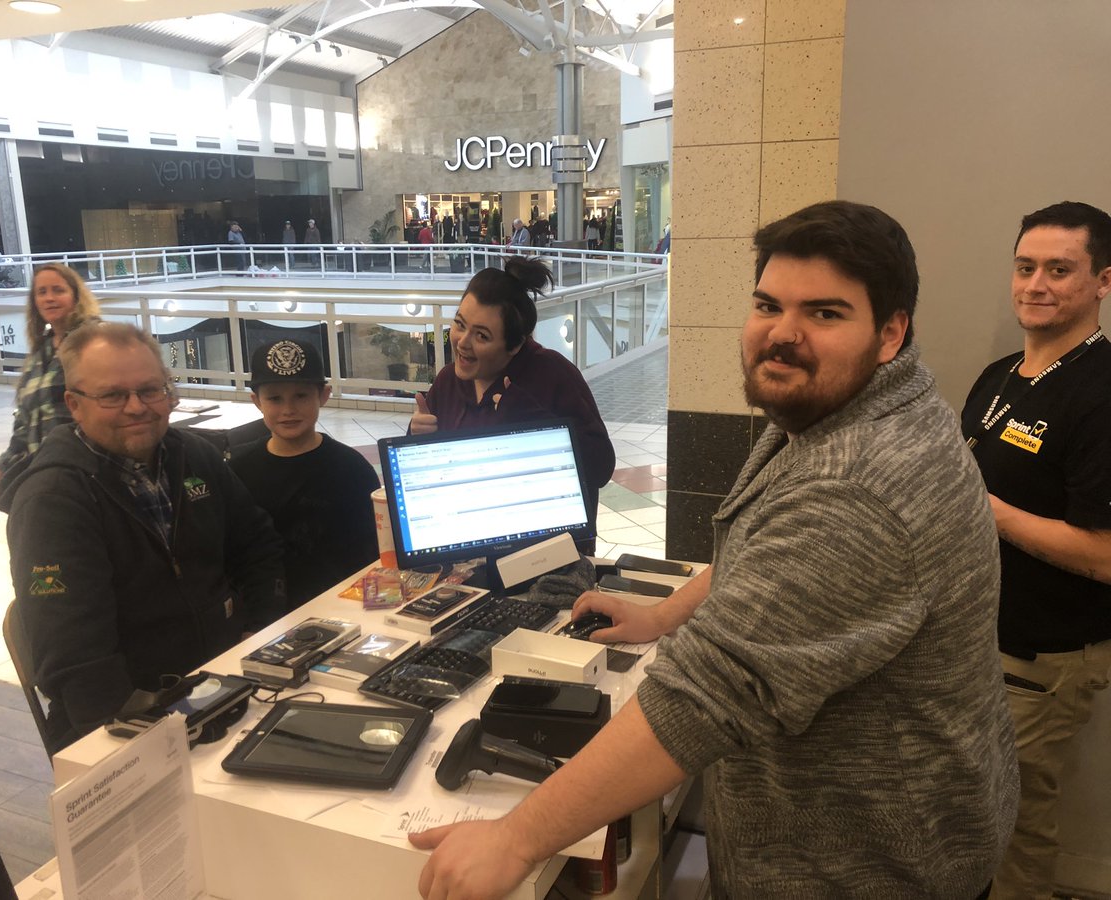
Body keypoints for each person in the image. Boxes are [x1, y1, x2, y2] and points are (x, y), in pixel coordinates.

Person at [412, 201, 1019, 900]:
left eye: (825, 313)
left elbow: (701, 700)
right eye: (768, 305)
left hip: (859, 872)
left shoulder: (859, 487)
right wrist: (663, 615)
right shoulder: (845, 410)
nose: (782, 334)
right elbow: (765, 552)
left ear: (891, 332)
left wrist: (515, 839)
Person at [0, 322, 286, 754]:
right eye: (113, 395)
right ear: (74, 404)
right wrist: (150, 746)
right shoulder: (52, 501)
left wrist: (261, 637)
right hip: (127, 723)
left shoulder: (194, 456)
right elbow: (76, 658)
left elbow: (257, 545)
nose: (137, 407)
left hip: (222, 687)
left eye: (150, 390)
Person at [961, 201, 1111, 900]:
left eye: (1059, 269)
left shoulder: (1102, 392)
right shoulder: (999, 376)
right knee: (970, 814)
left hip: (1041, 656)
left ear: (1103, 280)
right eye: (1025, 267)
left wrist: (985, 510)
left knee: (1016, 825)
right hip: (976, 638)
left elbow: (1104, 556)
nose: (1036, 285)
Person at [409, 257, 614, 535]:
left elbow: (601, 468)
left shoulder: (552, 375)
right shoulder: (448, 382)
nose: (462, 342)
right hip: (467, 539)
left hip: (545, 548)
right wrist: (417, 440)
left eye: (482, 336)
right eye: (460, 324)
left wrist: (536, 424)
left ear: (515, 345)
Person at [230, 338, 379, 607]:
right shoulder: (237, 471)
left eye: (301, 396)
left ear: (323, 395)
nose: (288, 410)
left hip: (343, 607)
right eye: (275, 398)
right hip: (263, 613)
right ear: (257, 401)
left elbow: (371, 552)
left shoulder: (351, 470)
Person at [0, 264, 101, 487]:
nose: (49, 298)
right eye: (42, 292)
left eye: (58, 290)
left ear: (76, 296)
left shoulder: (95, 340)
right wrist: (5, 462)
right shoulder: (40, 351)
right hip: (45, 473)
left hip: (86, 473)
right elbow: (26, 419)